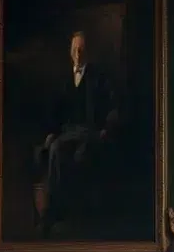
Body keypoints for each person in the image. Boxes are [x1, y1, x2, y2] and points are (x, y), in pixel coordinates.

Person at [34, 30, 117, 238]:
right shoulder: (64, 78)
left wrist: (107, 127)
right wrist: (51, 132)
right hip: (68, 132)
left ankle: (56, 212)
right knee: (53, 147)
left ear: (87, 52)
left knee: (65, 151)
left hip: (90, 131)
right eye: (74, 50)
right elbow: (55, 109)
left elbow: (112, 105)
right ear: (70, 53)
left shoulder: (99, 77)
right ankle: (55, 211)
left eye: (81, 50)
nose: (78, 54)